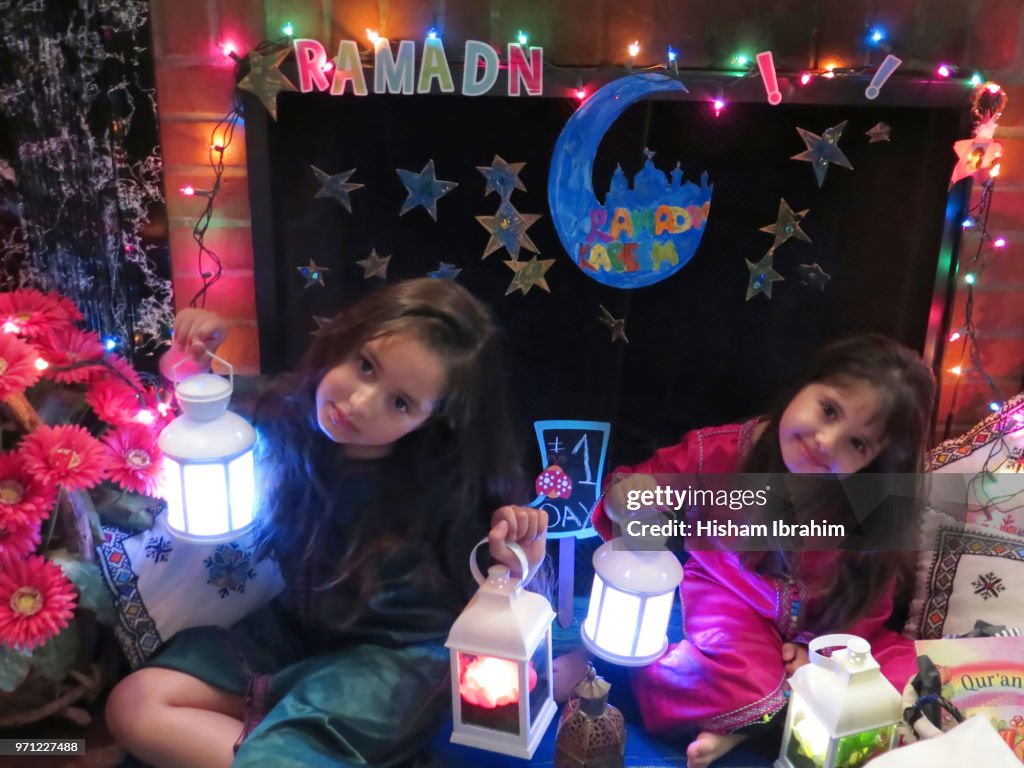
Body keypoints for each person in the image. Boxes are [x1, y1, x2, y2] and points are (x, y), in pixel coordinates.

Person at [105, 278, 548, 768]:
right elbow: (208, 412)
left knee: (270, 755)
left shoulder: (446, 484)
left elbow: (503, 572)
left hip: (393, 662)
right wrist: (190, 370)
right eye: (365, 366)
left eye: (400, 403)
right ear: (346, 340)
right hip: (292, 635)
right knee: (135, 702)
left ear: (433, 420)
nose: (358, 403)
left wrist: (516, 554)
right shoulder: (286, 414)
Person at [582, 334, 935, 768]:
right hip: (730, 606)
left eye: (857, 444)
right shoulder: (718, 452)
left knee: (907, 678)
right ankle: (757, 714)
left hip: (835, 627)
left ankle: (745, 729)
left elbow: (869, 596)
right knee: (745, 684)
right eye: (828, 410)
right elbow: (630, 492)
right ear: (808, 383)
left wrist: (824, 652)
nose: (827, 442)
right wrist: (632, 497)